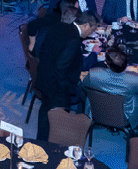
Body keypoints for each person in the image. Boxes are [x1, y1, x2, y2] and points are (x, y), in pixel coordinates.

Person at [35, 10, 95, 141]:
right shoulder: (74, 40)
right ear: (85, 25)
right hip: (57, 87)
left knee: (45, 116)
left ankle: (40, 144)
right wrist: (65, 88)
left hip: (44, 79)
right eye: (92, 29)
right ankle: (52, 149)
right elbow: (61, 67)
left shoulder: (59, 26)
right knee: (56, 122)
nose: (92, 33)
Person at [84, 46, 138, 128]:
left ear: (106, 62)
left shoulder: (93, 73)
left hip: (97, 112)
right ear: (126, 64)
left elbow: (84, 85)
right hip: (124, 117)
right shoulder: (134, 79)